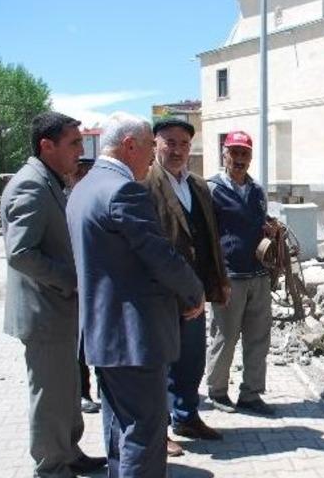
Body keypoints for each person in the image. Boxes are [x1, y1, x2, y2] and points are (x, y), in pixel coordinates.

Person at [66, 112, 205, 477]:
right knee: (143, 433)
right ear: (130, 146)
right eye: (148, 148)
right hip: (134, 338)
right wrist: (194, 292)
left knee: (119, 429)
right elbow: (159, 254)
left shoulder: (85, 187)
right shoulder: (123, 190)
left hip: (103, 334)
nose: (151, 158)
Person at [1, 111, 107, 477]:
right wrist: (71, 279)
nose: (81, 150)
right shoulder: (31, 184)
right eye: (74, 143)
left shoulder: (49, 180)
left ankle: (68, 452)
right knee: (50, 396)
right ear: (47, 146)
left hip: (58, 312)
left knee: (66, 390)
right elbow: (20, 253)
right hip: (44, 314)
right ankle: (51, 467)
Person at [143, 118, 229, 456]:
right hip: (162, 295)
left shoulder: (198, 185)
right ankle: (158, 431)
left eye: (183, 144)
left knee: (191, 360)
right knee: (160, 364)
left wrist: (218, 282)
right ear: (156, 145)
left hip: (196, 293)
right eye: (170, 142)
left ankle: (187, 417)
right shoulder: (143, 184)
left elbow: (210, 238)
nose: (177, 150)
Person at [205, 131, 275, 415]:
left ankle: (251, 394)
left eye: (244, 153)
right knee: (225, 336)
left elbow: (259, 223)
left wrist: (270, 229)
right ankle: (217, 391)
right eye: (234, 153)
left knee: (259, 338)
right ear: (224, 154)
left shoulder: (257, 191)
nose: (239, 159)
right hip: (229, 277)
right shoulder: (210, 189)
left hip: (259, 275)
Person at [64, 156, 103, 415]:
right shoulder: (65, 200)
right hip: (73, 285)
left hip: (99, 284)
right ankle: (82, 393)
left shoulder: (96, 199)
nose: (83, 176)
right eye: (79, 171)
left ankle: (105, 388)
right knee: (79, 345)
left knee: (101, 339)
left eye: (88, 172)